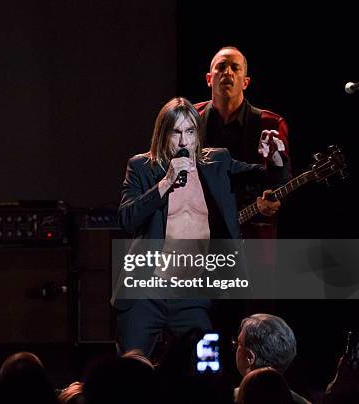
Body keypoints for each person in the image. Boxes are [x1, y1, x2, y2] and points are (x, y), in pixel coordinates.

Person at [115, 97, 274, 357]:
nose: (183, 141)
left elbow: (264, 177)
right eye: (175, 133)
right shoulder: (141, 167)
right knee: (131, 371)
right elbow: (126, 219)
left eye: (189, 132)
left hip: (194, 294)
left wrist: (276, 161)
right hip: (146, 291)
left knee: (207, 365)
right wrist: (165, 183)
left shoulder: (217, 162)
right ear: (162, 134)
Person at [196, 46, 290, 238]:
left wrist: (272, 201)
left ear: (246, 82)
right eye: (221, 67)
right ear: (208, 79)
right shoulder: (189, 119)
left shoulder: (270, 123)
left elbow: (282, 178)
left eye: (234, 67)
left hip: (252, 236)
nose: (227, 72)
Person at [233, 313, 310, 404]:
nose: (235, 347)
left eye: (238, 343)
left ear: (249, 357)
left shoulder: (225, 398)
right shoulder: (304, 402)